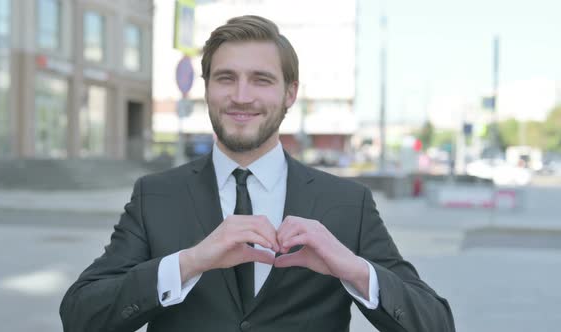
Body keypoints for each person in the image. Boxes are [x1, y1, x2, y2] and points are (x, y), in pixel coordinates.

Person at [60, 15, 455, 332]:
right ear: (207, 88)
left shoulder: (348, 203)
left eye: (261, 80)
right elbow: (81, 316)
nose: (242, 96)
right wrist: (189, 262)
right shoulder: (155, 196)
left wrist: (351, 267)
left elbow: (435, 323)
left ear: (290, 93)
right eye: (226, 78)